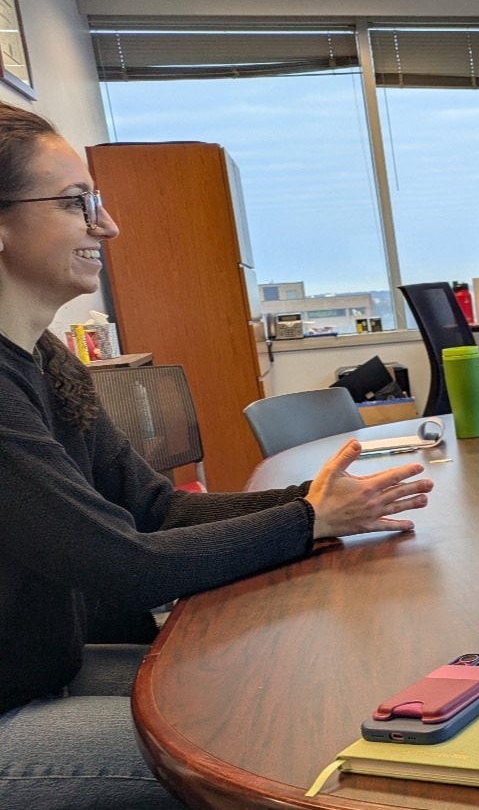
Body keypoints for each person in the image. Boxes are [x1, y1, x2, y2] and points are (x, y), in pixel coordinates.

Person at [0, 103, 433, 809]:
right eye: (78, 204)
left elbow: (154, 509)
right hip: (11, 716)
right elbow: (122, 561)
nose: (106, 226)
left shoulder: (44, 355)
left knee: (290, 695)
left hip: (44, 674)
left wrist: (319, 508)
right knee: (275, 748)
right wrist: (310, 522)